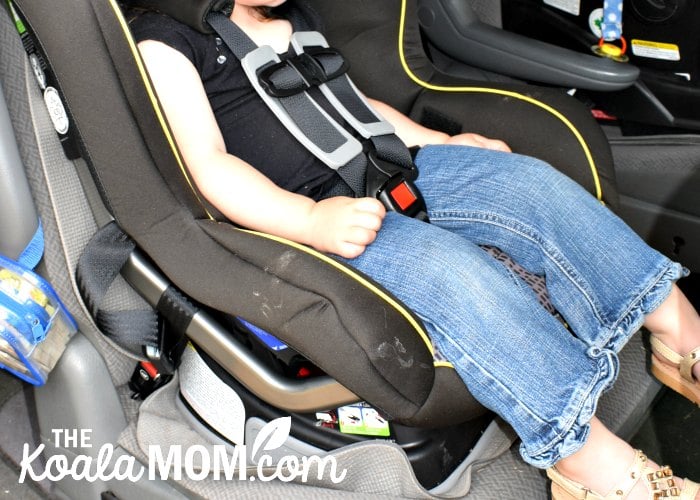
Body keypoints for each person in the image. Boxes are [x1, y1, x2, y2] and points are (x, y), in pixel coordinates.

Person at [129, 1, 700, 498]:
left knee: (531, 183)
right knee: (456, 275)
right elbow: (208, 165)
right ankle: (584, 458)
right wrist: (308, 220)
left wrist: (442, 142)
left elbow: (357, 106)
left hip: (395, 168)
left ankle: (681, 335)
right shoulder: (167, 40)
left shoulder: (292, 17)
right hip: (318, 215)